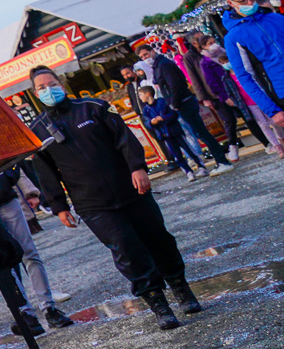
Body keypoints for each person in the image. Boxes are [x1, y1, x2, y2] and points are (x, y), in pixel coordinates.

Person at [26, 66, 200, 329]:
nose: (48, 89)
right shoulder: (37, 130)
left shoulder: (93, 107)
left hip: (131, 189)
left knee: (159, 240)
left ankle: (181, 288)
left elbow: (125, 139)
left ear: (60, 83)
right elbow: (45, 172)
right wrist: (59, 207)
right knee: (127, 251)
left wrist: (137, 167)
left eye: (51, 83)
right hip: (92, 204)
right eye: (41, 87)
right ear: (34, 93)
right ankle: (159, 305)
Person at [0, 164, 74, 329]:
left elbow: (11, 161)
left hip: (6, 199)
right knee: (6, 262)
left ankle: (48, 308)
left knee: (29, 254)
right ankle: (26, 313)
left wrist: (9, 178)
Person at [221, 0, 284, 153]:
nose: (249, 3)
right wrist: (272, 110)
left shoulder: (277, 19)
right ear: (231, 3)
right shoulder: (233, 37)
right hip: (281, 95)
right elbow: (245, 77)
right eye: (242, 0)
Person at [147, 40, 232, 170]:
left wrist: (174, 104)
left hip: (183, 103)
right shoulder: (159, 65)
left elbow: (174, 85)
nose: (145, 58)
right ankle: (220, 161)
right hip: (182, 102)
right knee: (199, 133)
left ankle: (222, 161)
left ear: (152, 51)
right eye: (142, 57)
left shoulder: (164, 65)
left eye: (145, 54)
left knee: (201, 133)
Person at [196, 38, 266, 152]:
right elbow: (211, 82)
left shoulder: (225, 51)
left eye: (214, 41)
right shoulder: (206, 62)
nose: (214, 45)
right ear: (204, 47)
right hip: (228, 93)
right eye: (210, 43)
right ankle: (266, 143)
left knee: (256, 115)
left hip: (240, 87)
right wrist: (224, 97)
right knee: (247, 119)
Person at [137, 83, 203, 178]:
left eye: (141, 94)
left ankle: (201, 167)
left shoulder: (162, 102)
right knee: (177, 155)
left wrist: (163, 118)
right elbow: (147, 122)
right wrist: (152, 122)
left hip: (175, 131)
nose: (140, 97)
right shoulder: (146, 109)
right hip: (164, 136)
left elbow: (174, 114)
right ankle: (188, 172)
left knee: (189, 150)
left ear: (147, 94)